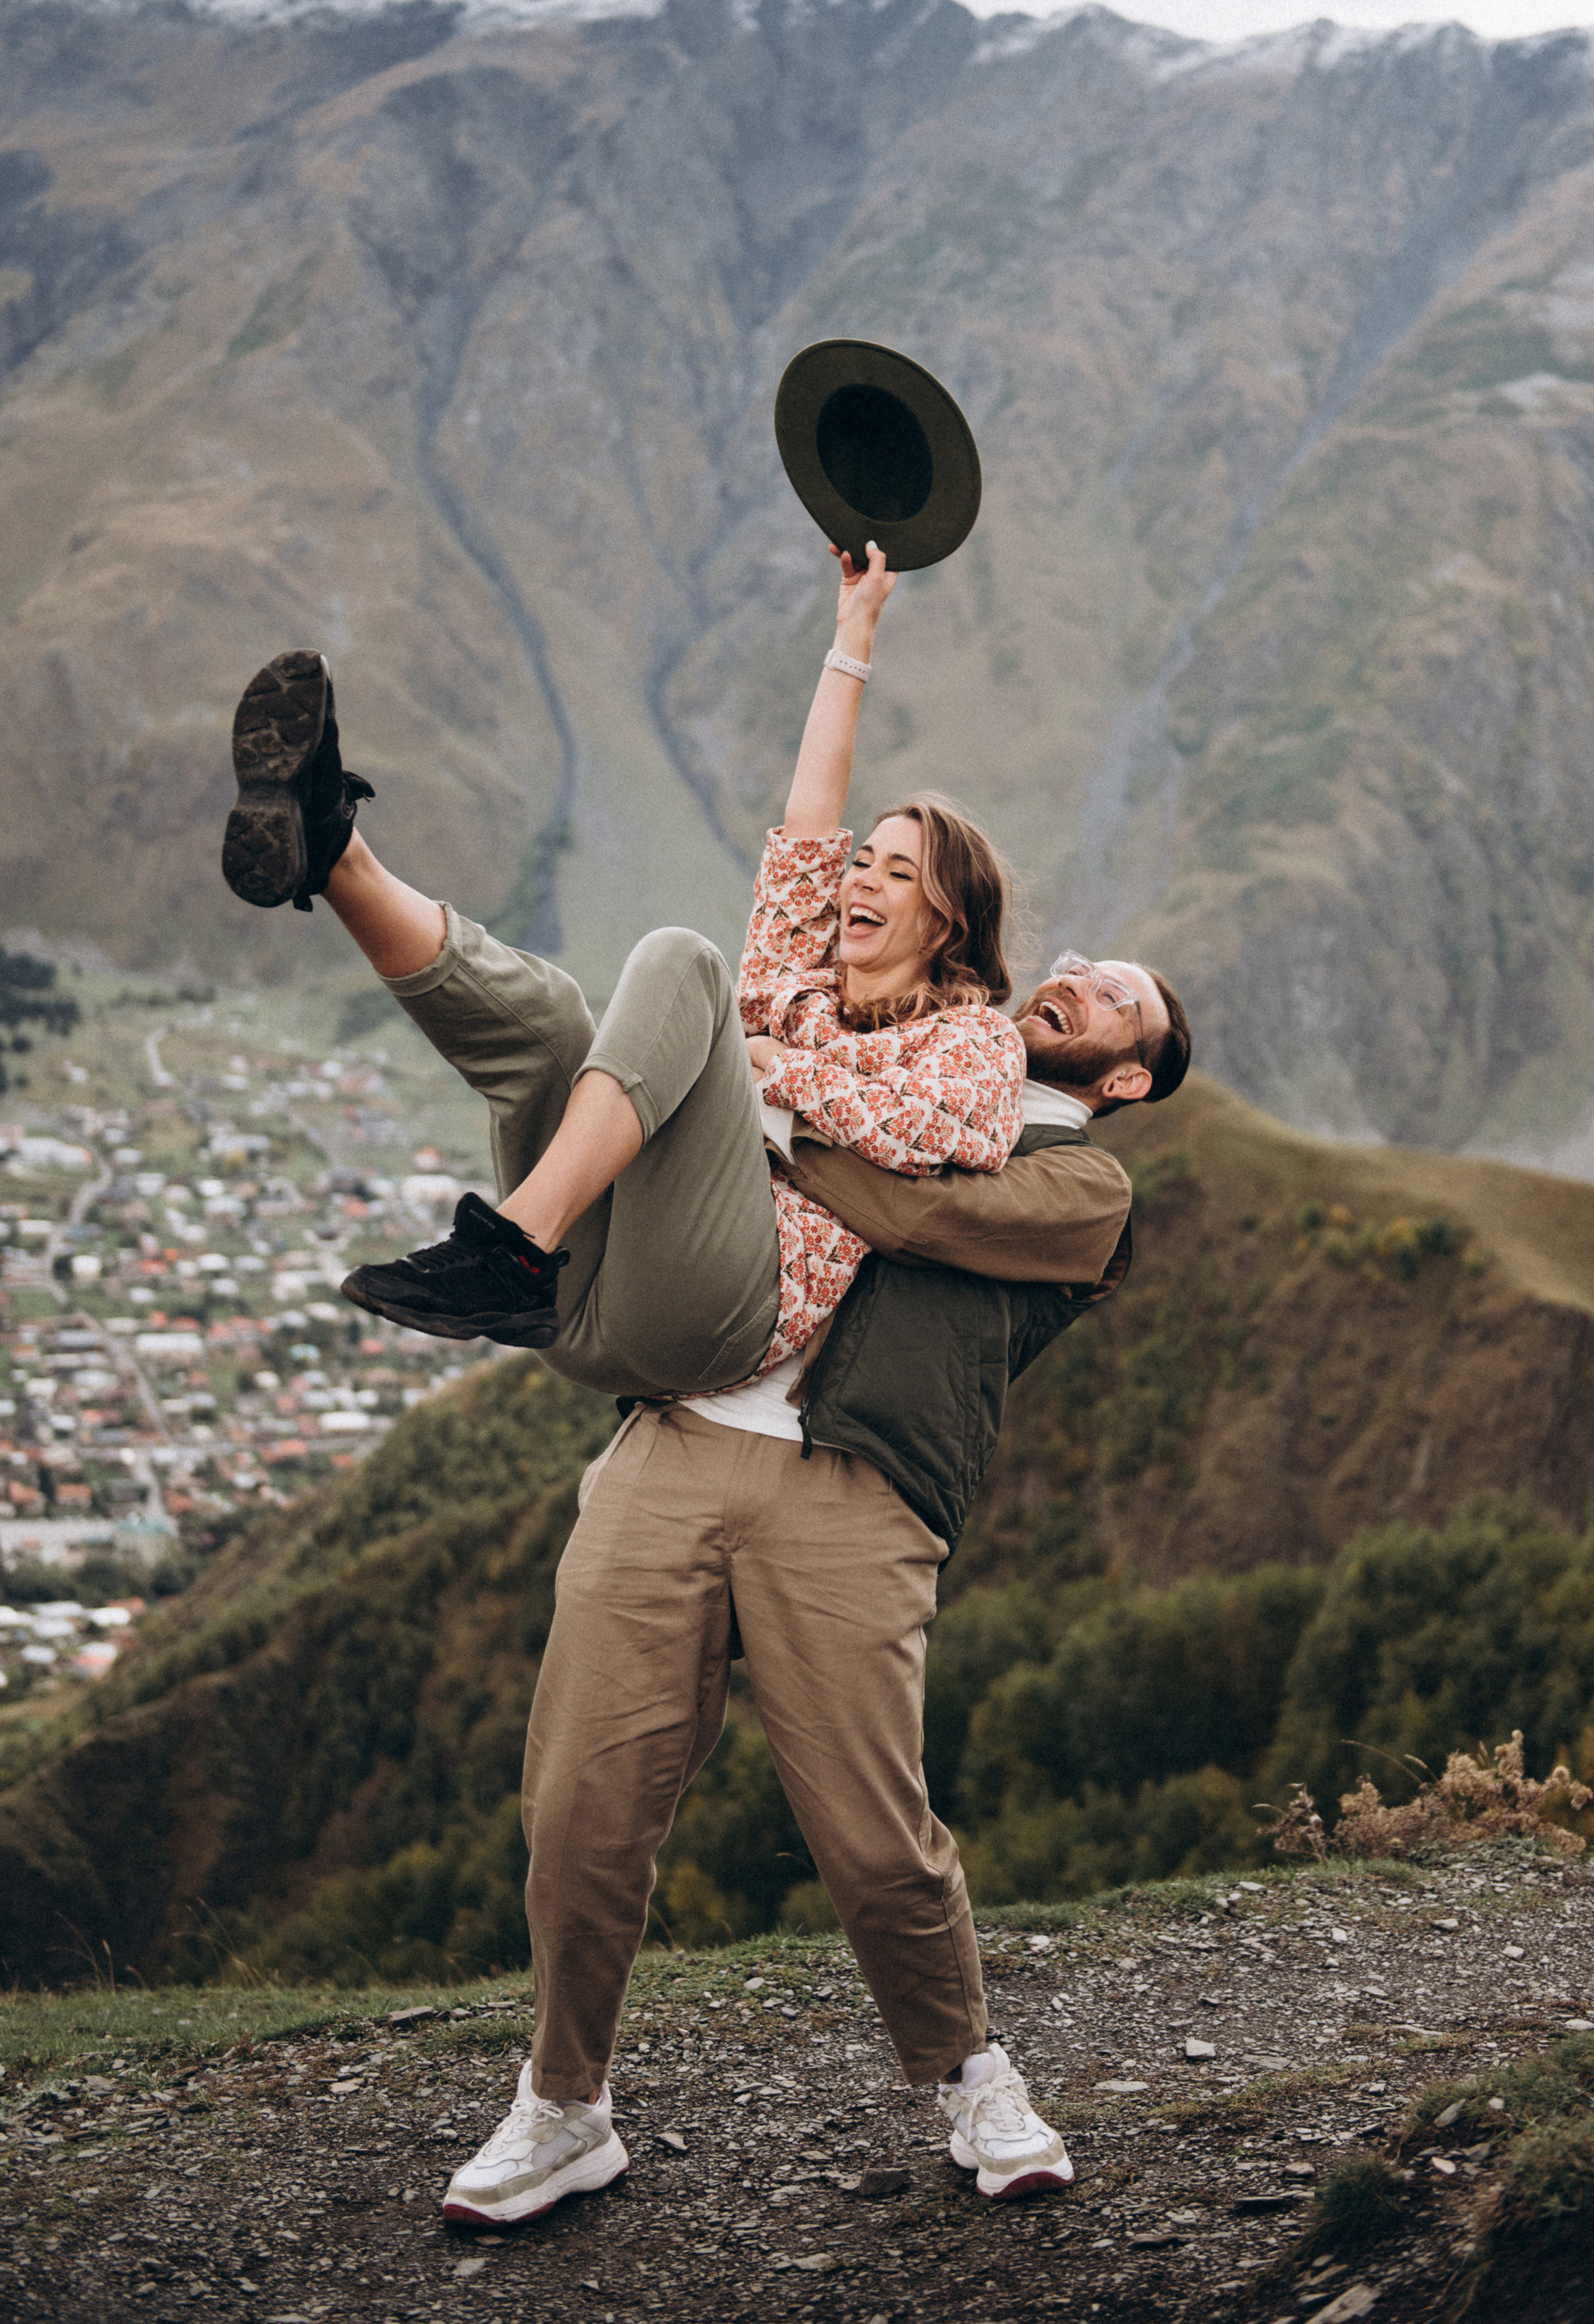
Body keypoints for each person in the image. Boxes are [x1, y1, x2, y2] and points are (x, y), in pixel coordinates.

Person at [219, 544, 1190, 2223]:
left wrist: (753, 1098)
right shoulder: (832, 997)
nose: (1086, 977)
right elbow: (804, 838)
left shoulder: (1077, 1183)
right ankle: (333, 847)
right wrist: (852, 637)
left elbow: (898, 1204)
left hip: (845, 1488)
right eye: (1091, 959)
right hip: (665, 1412)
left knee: (877, 1838)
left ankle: (973, 2081)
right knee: (578, 1811)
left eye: (1117, 1001)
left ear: (1120, 1072)